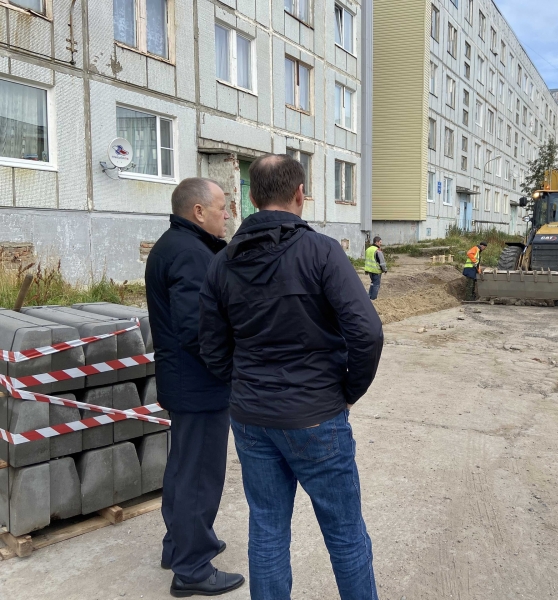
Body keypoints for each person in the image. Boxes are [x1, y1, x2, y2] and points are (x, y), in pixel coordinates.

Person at [198, 154, 384, 600]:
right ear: (300, 194)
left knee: (267, 530)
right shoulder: (321, 251)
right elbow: (367, 332)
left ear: (251, 198)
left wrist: (243, 386)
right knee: (345, 534)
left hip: (252, 419)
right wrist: (348, 391)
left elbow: (211, 346)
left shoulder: (222, 263)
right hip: (315, 416)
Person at [145, 178, 245, 598]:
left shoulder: (178, 245)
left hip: (187, 381)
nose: (228, 215)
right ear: (198, 212)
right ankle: (192, 568)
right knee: (199, 477)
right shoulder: (189, 253)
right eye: (222, 207)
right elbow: (198, 328)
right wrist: (228, 368)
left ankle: (179, 546)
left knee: (184, 469)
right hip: (199, 383)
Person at [364, 236, 388, 300]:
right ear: (376, 242)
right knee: (376, 285)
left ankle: (369, 297)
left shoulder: (368, 249)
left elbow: (366, 260)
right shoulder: (377, 250)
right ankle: (373, 298)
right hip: (376, 271)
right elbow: (382, 262)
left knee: (372, 283)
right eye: (380, 242)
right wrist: (385, 270)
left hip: (369, 270)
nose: (380, 243)